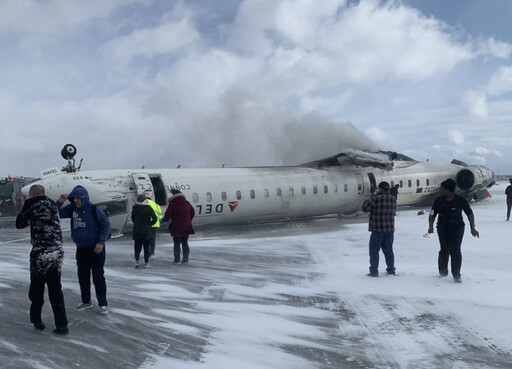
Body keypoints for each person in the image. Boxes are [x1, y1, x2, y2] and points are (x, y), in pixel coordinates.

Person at [15, 184, 69, 334]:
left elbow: (18, 224)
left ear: (31, 195)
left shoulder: (31, 204)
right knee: (55, 289)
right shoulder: (52, 204)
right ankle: (62, 325)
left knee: (37, 289)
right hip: (57, 252)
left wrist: (24, 209)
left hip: (41, 254)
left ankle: (37, 320)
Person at [57, 185, 111, 315]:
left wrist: (101, 242)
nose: (75, 200)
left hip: (96, 249)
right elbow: (57, 213)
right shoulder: (72, 209)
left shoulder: (94, 210)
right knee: (83, 276)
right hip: (81, 248)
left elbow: (106, 225)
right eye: (74, 198)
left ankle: (103, 304)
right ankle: (86, 301)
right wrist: (60, 201)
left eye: (78, 198)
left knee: (98, 276)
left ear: (84, 198)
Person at [427, 178, 479, 283]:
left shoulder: (460, 200)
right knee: (444, 249)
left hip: (457, 228)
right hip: (442, 228)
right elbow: (432, 213)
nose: (440, 190)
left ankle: (456, 274)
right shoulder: (439, 200)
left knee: (455, 250)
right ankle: (443, 271)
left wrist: (472, 228)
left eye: (442, 189)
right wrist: (431, 226)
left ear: (449, 190)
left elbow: (469, 213)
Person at [362, 181, 397, 277]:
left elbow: (365, 208)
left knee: (374, 251)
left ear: (380, 189)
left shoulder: (376, 199)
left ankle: (374, 271)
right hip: (389, 229)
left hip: (377, 229)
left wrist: (369, 198)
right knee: (389, 251)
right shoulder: (393, 199)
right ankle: (391, 269)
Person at [163, 189, 195, 264]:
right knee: (185, 242)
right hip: (186, 226)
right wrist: (188, 220)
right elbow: (192, 212)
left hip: (176, 226)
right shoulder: (187, 203)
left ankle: (177, 260)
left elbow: (167, 215)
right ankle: (185, 259)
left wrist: (166, 220)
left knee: (177, 243)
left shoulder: (172, 204)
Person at [131, 195, 157, 268]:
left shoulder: (135, 208)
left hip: (137, 230)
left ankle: (137, 262)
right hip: (146, 230)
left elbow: (133, 218)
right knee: (146, 247)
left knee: (137, 247)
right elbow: (155, 218)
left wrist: (137, 223)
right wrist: (149, 224)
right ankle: (146, 263)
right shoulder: (149, 208)